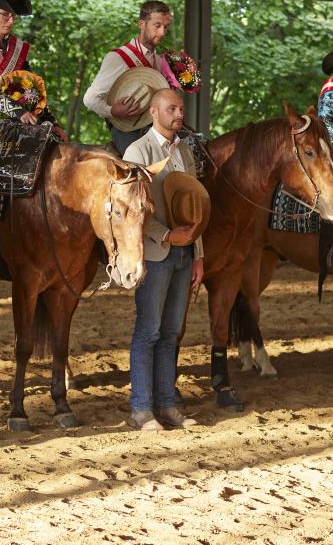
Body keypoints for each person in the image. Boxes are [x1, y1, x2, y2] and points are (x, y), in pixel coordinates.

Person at [122, 89, 204, 432]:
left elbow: (197, 207)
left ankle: (167, 404)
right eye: (172, 108)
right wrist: (167, 236)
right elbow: (133, 210)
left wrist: (199, 254)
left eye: (181, 108)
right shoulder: (137, 151)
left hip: (186, 254)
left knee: (171, 332)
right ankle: (141, 408)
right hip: (157, 253)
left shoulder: (185, 150)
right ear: (154, 112)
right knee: (149, 330)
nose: (179, 113)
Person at [83, 0, 174, 155]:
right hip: (127, 130)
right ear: (142, 24)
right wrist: (112, 111)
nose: (162, 33)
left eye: (166, 27)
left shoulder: (159, 61)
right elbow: (89, 98)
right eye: (157, 26)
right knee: (141, 170)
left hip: (156, 129)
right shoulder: (118, 57)